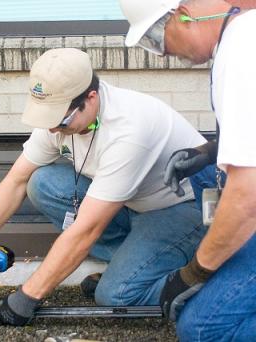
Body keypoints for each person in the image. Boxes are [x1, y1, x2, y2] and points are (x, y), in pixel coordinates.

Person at [0, 47, 208, 326]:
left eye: (59, 120)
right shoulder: (62, 116)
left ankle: (209, 283)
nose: (52, 129)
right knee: (43, 183)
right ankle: (136, 265)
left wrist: (27, 297)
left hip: (181, 210)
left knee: (116, 296)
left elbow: (87, 230)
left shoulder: (129, 131)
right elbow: (17, 180)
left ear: (91, 98)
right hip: (131, 204)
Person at [119, 0, 256, 340]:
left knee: (202, 329)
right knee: (202, 177)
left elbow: (248, 196)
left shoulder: (242, 50)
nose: (161, 53)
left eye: (154, 38)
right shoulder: (241, 35)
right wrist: (211, 152)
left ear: (182, 14)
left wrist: (194, 273)